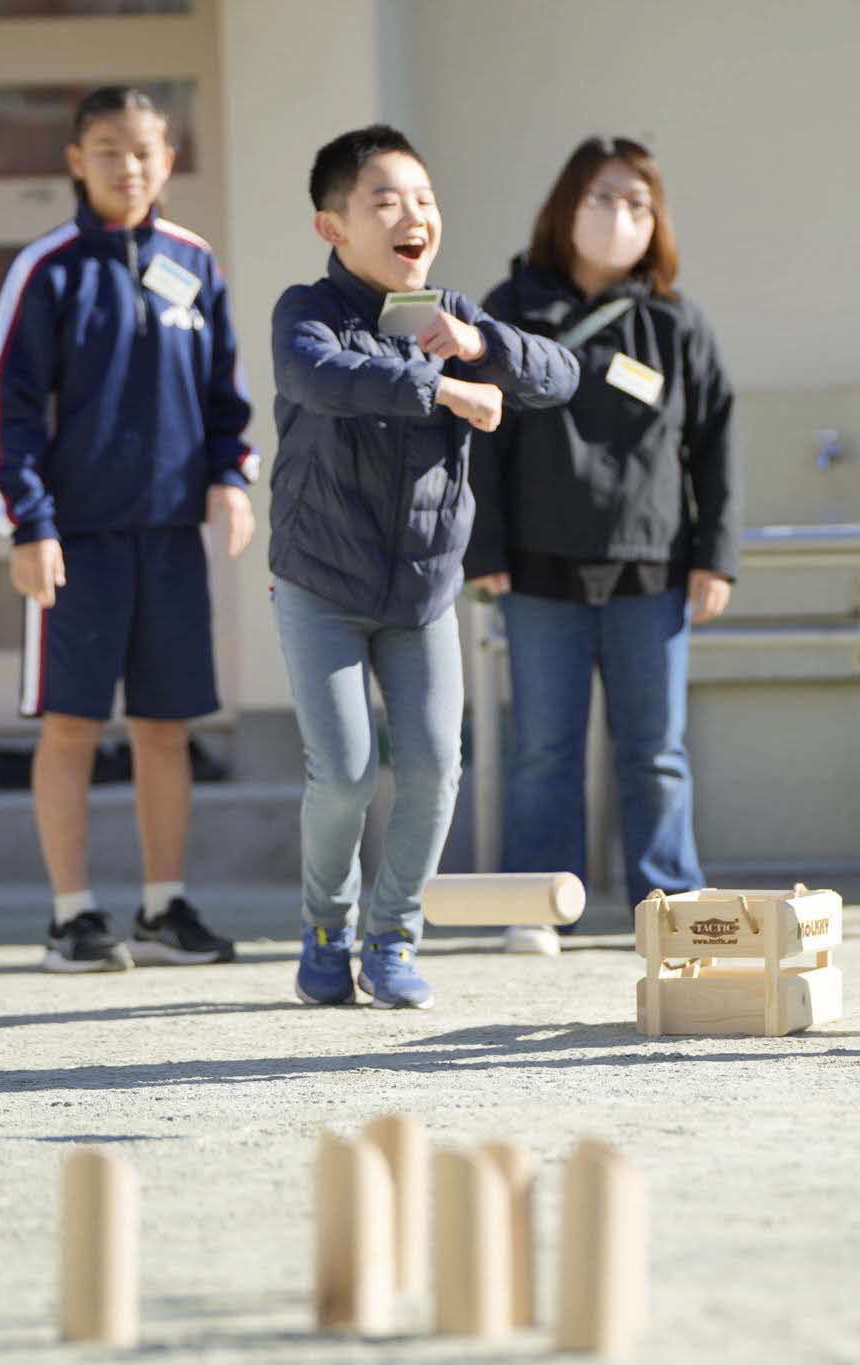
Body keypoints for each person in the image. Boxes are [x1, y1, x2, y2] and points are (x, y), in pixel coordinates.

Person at [270, 125, 579, 1009]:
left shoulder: (447, 311)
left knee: (437, 763)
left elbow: (558, 378)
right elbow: (318, 377)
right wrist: (440, 388)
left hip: (423, 591)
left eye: (425, 200)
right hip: (319, 583)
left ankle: (393, 935)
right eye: (386, 201)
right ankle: (326, 925)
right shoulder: (305, 311)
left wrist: (479, 348)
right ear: (334, 227)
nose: (415, 217)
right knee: (346, 771)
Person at [0, 86, 255, 975]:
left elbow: (226, 396)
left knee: (166, 726)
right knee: (71, 726)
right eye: (107, 149)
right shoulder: (47, 269)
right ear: (74, 160)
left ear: (168, 160)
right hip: (75, 541)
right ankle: (72, 917)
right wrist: (28, 523)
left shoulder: (196, 263)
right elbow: (4, 405)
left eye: (143, 150)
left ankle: (164, 908)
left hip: (171, 537)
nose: (127, 166)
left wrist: (230, 478)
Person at [465, 136, 739, 956]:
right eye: (602, 198)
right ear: (564, 208)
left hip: (651, 568)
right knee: (542, 748)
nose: (620, 216)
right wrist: (483, 550)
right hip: (538, 568)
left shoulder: (677, 321)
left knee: (655, 752)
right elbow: (479, 437)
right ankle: (538, 904)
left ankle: (672, 908)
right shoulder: (508, 308)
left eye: (638, 203)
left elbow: (716, 440)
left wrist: (714, 555)